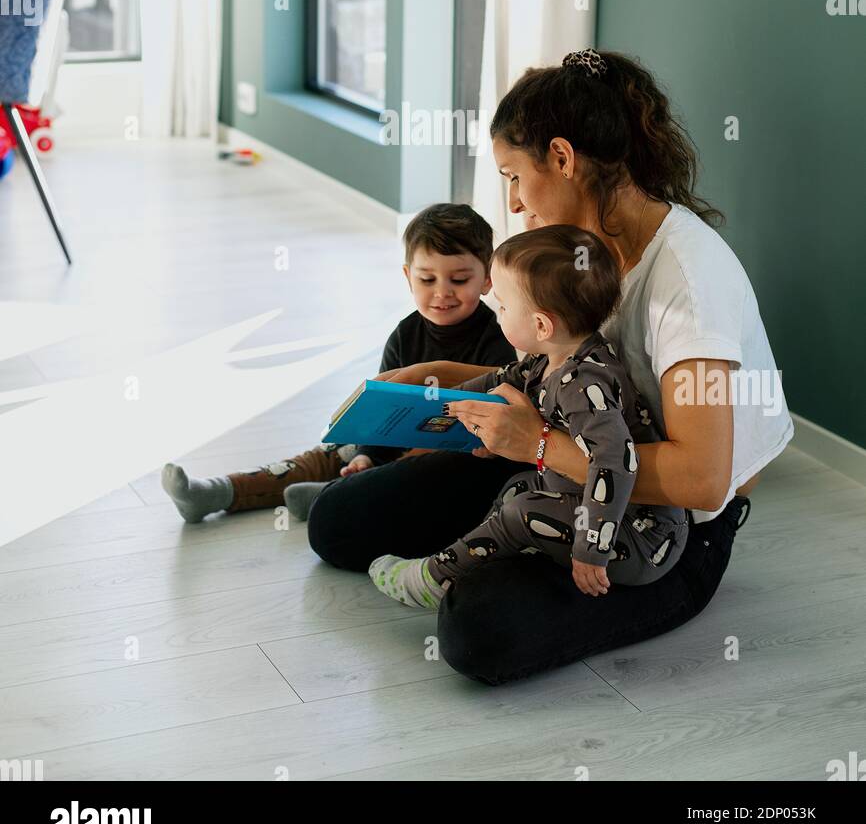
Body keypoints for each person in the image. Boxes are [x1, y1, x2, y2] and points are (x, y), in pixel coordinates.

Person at [308, 48, 793, 685]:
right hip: (563, 475)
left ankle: (489, 553)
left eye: (514, 175)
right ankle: (496, 536)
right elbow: (550, 374)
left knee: (478, 630)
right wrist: (442, 378)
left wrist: (535, 446)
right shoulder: (573, 254)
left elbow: (705, 480)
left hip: (663, 532)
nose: (512, 202)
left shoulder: (689, 282)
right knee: (338, 521)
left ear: (562, 159)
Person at [369, 225, 687, 609]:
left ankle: (433, 578)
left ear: (540, 325)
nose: (497, 311)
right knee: (516, 490)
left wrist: (591, 550)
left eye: (503, 305)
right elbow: (495, 383)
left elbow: (616, 463)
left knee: (524, 509)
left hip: (640, 537)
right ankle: (474, 567)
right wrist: (427, 401)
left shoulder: (583, 382)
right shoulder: (547, 360)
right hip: (597, 512)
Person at [161, 203, 515, 523]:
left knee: (421, 463)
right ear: (408, 276)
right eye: (427, 279)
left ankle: (333, 496)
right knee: (326, 455)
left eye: (459, 280)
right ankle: (217, 491)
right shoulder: (405, 335)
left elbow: (502, 392)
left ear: (486, 279)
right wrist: (366, 455)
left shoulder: (497, 335)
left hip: (450, 457)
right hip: (388, 444)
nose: (442, 292)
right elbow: (381, 409)